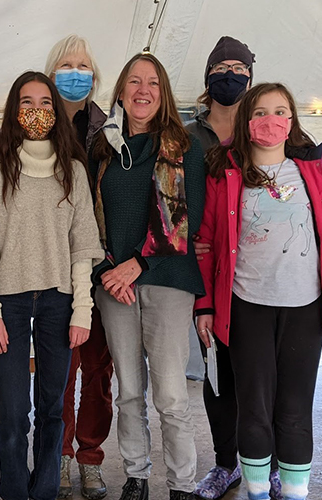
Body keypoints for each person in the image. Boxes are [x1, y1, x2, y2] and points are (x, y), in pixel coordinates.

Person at [196, 82, 322, 500]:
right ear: (247, 123)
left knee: (296, 411)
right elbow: (207, 246)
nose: (271, 120)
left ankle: (296, 494)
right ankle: (257, 492)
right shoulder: (226, 175)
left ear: (292, 122)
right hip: (248, 307)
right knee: (254, 411)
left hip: (305, 308)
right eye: (261, 112)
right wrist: (205, 306)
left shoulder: (315, 174)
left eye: (281, 111)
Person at [0, 71, 104, 500]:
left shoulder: (73, 171)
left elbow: (83, 246)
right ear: (14, 110)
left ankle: (43, 489)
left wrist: (83, 310)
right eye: (27, 102)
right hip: (8, 301)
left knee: (50, 408)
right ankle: (14, 491)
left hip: (59, 302)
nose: (37, 111)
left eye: (45, 103)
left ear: (55, 112)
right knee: (12, 409)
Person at [90, 52, 206, 500]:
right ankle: (136, 475)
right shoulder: (102, 148)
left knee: (172, 396)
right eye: (134, 82)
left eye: (153, 83)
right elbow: (89, 221)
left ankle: (182, 485)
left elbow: (183, 219)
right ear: (120, 90)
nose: (143, 90)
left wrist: (137, 263)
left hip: (167, 277)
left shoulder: (183, 146)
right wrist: (107, 272)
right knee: (129, 391)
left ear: (164, 94)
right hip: (113, 285)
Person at [185, 35, 259, 500]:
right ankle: (225, 464)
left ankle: (263, 464)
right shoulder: (187, 136)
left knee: (261, 377)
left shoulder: (272, 131)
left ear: (251, 76)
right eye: (221, 66)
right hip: (206, 274)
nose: (229, 73)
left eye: (238, 66)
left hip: (263, 279)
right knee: (219, 375)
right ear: (208, 76)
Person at [43, 34, 111, 500]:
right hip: (50, 265)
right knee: (58, 368)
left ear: (94, 76)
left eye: (83, 65)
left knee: (98, 368)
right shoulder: (35, 125)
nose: (75, 72)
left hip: (101, 263)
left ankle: (90, 457)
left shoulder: (110, 130)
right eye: (66, 64)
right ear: (52, 73)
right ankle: (59, 455)